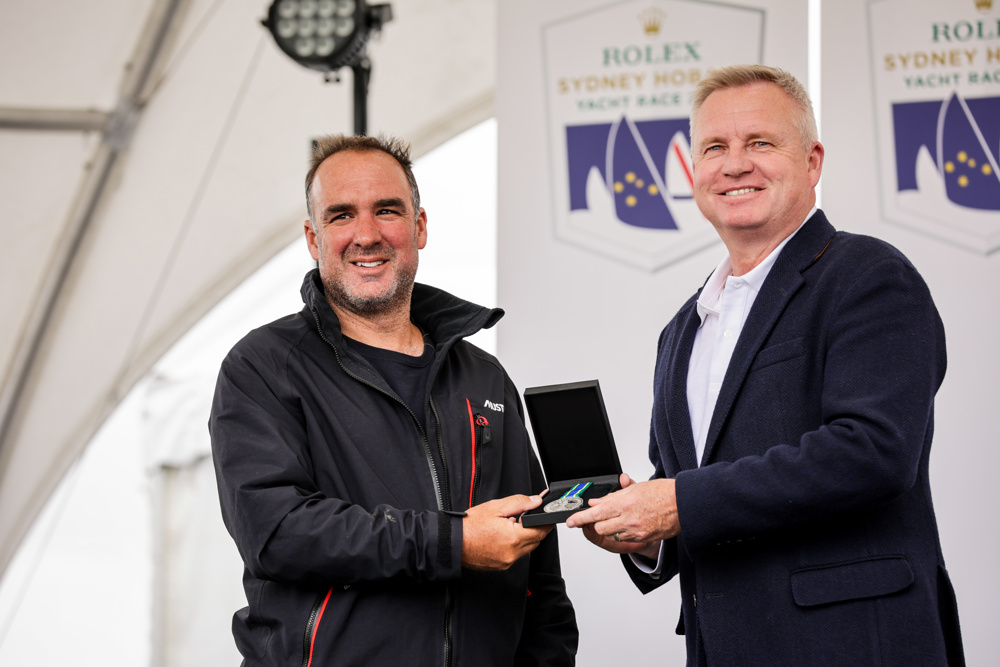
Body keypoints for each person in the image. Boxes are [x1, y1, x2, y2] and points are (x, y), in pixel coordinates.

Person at [566, 65, 964, 666]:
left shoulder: (870, 277)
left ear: (812, 161)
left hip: (855, 647)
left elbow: (873, 452)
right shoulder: (682, 329)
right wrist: (641, 530)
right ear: (691, 170)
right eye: (714, 148)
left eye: (760, 143)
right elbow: (684, 490)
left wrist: (679, 504)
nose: (734, 164)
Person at [210, 134, 577, 666]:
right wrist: (455, 543)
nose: (366, 234)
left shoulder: (483, 376)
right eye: (341, 215)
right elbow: (277, 532)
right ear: (314, 239)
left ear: (419, 227)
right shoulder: (263, 366)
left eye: (387, 210)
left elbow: (540, 577)